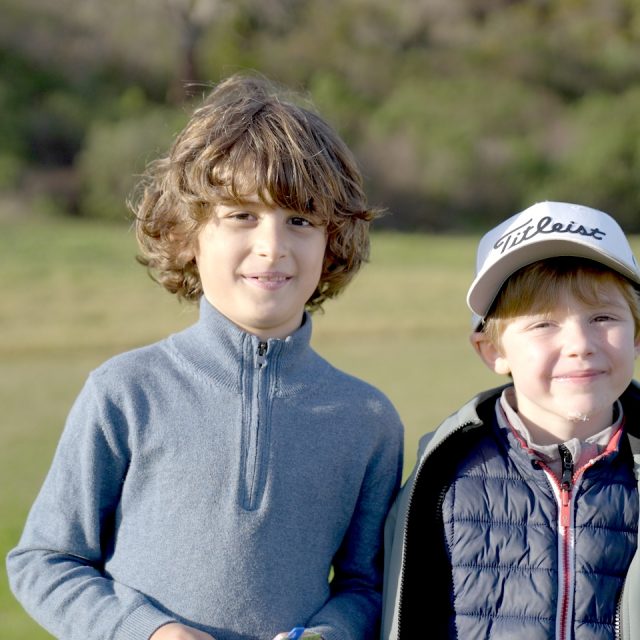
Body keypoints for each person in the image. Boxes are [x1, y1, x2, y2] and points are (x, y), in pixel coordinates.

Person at [6, 73, 404, 640]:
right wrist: (149, 633)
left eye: (300, 220)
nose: (272, 246)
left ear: (331, 240)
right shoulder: (125, 391)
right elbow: (45, 561)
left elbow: (367, 588)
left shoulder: (368, 420)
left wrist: (327, 635)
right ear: (188, 233)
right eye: (241, 215)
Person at [381, 201, 640, 640]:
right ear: (493, 351)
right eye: (543, 325)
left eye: (602, 317)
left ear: (637, 336)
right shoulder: (444, 477)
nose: (580, 344)